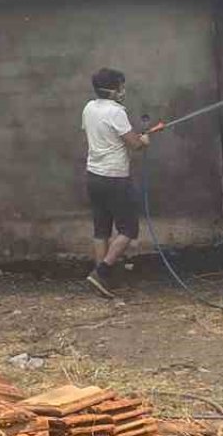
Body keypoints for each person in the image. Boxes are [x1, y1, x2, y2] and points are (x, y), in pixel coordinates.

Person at [82, 67, 150, 297]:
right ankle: (103, 272)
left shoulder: (89, 108)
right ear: (112, 89)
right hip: (114, 178)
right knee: (129, 229)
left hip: (94, 176)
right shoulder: (116, 112)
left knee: (101, 229)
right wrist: (143, 140)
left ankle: (102, 280)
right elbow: (134, 144)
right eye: (121, 85)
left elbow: (104, 135)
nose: (123, 90)